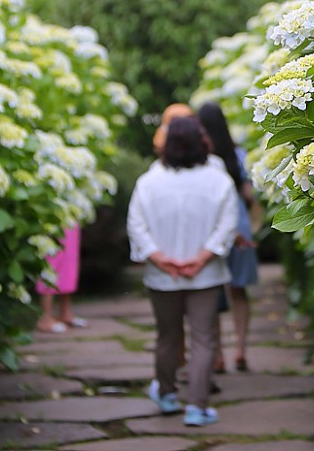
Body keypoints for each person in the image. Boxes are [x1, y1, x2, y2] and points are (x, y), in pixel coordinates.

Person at [126, 116, 239, 427]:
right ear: (202, 142)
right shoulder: (219, 180)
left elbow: (136, 225)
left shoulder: (149, 182)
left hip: (163, 276)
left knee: (167, 337)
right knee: (204, 339)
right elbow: (227, 225)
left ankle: (166, 395)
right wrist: (202, 258)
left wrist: (160, 258)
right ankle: (197, 407)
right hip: (205, 275)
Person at [197, 102, 259, 373]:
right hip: (240, 228)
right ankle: (241, 349)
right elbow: (249, 196)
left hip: (210, 230)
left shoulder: (201, 158)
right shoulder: (237, 156)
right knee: (239, 291)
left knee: (212, 293)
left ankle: (218, 355)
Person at [35, 224, 87, 333]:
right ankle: (45, 318)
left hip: (70, 214)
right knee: (51, 261)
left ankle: (65, 313)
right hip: (52, 214)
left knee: (69, 260)